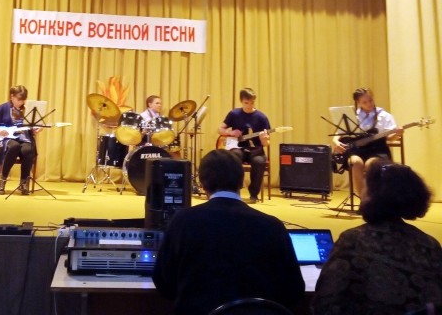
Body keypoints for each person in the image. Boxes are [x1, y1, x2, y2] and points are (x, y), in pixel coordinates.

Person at [153, 149, 305, 315]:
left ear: (202, 184)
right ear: (241, 182)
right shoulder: (272, 226)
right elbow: (294, 290)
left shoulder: (182, 221)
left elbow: (164, 285)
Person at [313, 162, 442, 314]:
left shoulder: (353, 240)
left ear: (372, 196)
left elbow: (325, 303)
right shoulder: (430, 245)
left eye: (365, 187)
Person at [332, 87, 403, 197]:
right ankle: (364, 199)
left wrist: (397, 134)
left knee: (371, 164)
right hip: (357, 149)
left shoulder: (384, 115)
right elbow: (340, 132)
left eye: (370, 100)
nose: (369, 104)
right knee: (355, 162)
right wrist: (336, 141)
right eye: (364, 102)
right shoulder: (353, 116)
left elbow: (389, 138)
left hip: (377, 149)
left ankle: (374, 198)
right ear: (358, 102)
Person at [218, 88, 270, 202]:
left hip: (256, 150)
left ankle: (254, 194)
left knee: (259, 162)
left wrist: (264, 140)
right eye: (246, 103)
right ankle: (235, 190)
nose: (249, 106)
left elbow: (266, 143)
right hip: (238, 147)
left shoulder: (262, 117)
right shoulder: (234, 114)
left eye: (252, 103)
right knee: (233, 157)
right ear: (241, 101)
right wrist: (231, 132)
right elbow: (220, 129)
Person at [0, 85, 38, 195]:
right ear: (12, 96)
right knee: (14, 147)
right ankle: (2, 179)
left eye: (23, 100)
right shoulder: (3, 108)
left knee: (28, 149)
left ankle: (23, 182)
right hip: (7, 138)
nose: (21, 102)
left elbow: (35, 126)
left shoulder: (28, 110)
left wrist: (37, 129)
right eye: (19, 99)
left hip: (24, 138)